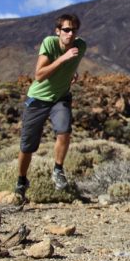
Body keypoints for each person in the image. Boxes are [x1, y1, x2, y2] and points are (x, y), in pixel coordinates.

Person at [15, 13, 86, 202]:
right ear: (58, 31)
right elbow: (39, 75)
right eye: (66, 30)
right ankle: (21, 181)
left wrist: (73, 72)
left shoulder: (81, 46)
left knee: (64, 130)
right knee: (27, 146)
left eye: (73, 30)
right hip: (37, 99)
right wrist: (63, 59)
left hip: (60, 98)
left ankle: (58, 170)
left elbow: (72, 65)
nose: (70, 34)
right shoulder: (49, 43)